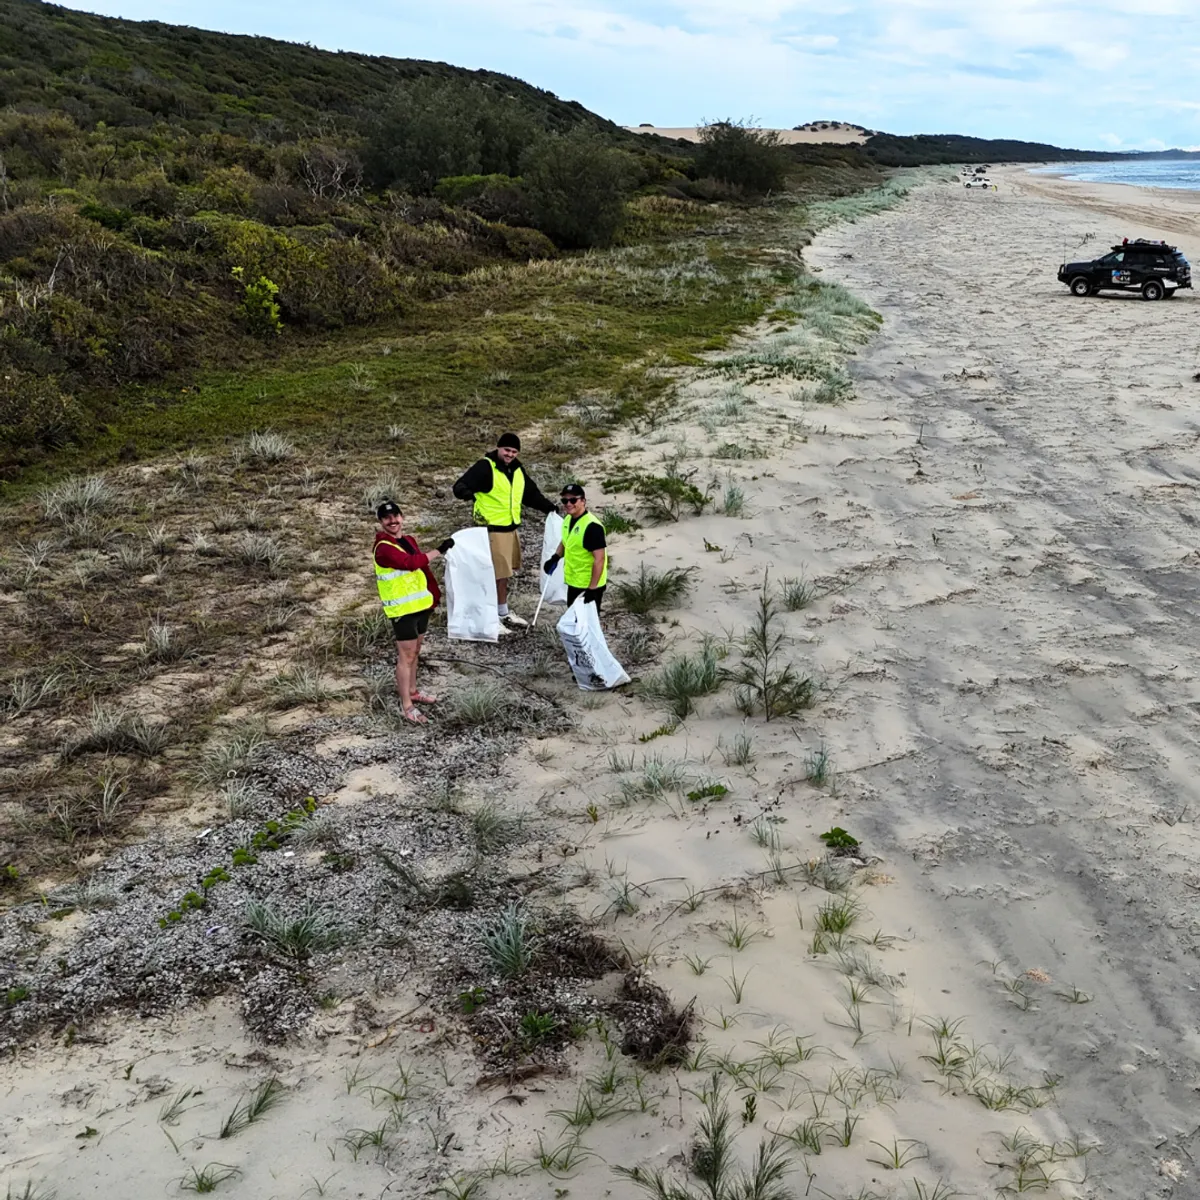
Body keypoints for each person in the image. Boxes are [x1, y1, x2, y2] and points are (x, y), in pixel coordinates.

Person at [452, 432, 557, 631]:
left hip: (510, 529)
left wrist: (549, 508)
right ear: (499, 448)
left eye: (514, 451)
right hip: (490, 531)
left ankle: (502, 612)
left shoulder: (517, 470)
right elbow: (459, 486)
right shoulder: (486, 466)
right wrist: (468, 494)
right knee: (492, 575)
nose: (510, 454)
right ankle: (489, 617)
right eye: (507, 450)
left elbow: (530, 494)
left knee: (504, 574)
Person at [373, 500, 454, 725]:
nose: (393, 521)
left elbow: (420, 568)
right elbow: (410, 563)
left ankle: (413, 691)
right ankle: (406, 705)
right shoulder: (383, 548)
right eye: (387, 518)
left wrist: (432, 596)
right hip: (402, 610)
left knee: (415, 651)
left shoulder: (408, 540)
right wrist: (439, 550)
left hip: (419, 606)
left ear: (402, 517)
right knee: (406, 656)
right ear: (381, 522)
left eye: (396, 516)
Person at [543, 483, 607, 610]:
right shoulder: (568, 519)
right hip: (573, 582)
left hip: (588, 585)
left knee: (586, 624)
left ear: (583, 501)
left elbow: (600, 559)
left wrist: (592, 589)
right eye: (564, 500)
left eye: (573, 500)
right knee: (573, 620)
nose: (568, 504)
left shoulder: (592, 527)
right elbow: (566, 540)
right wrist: (555, 557)